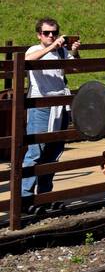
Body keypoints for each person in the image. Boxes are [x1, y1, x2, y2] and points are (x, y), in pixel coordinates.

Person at [21, 18, 80, 216]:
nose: (51, 36)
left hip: (60, 105)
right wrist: (51, 47)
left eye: (54, 32)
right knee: (35, 152)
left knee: (53, 152)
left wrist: (73, 51)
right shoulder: (33, 49)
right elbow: (28, 61)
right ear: (39, 35)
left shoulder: (61, 51)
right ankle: (25, 197)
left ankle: (45, 196)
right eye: (46, 33)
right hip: (40, 106)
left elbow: (76, 68)